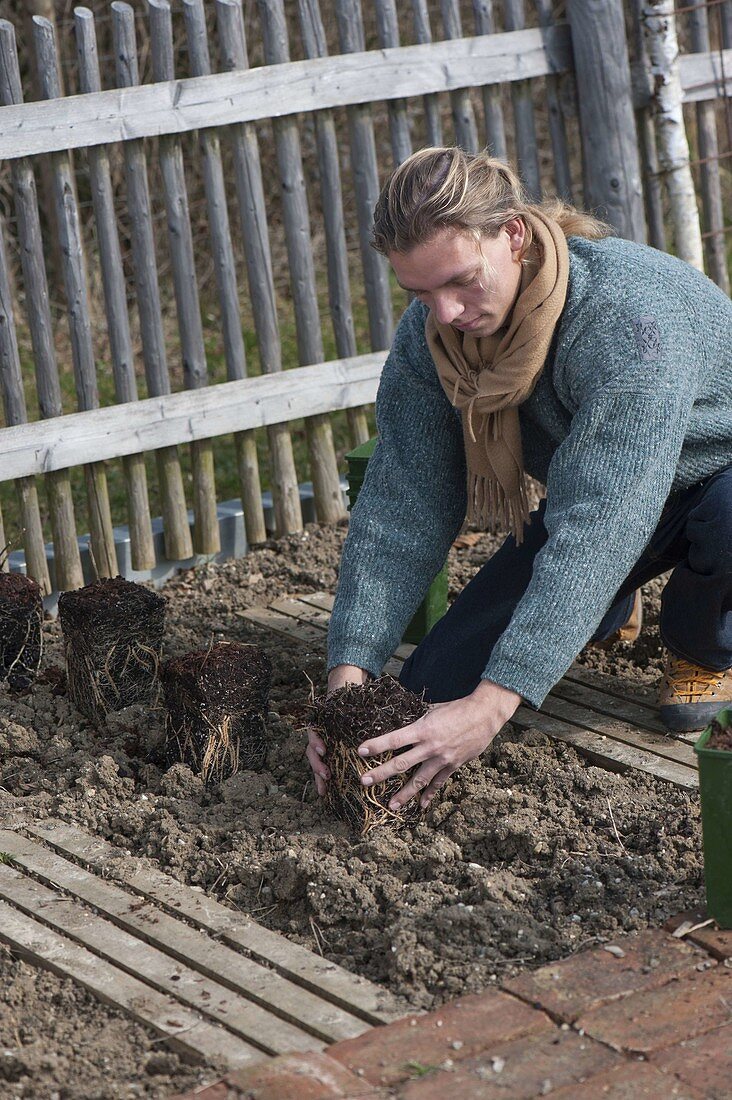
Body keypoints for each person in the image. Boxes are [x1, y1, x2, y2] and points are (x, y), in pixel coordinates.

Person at [306, 146, 732, 813]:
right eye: (420, 292)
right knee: (428, 691)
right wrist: (347, 683)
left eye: (460, 282)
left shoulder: (631, 322)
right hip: (600, 495)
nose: (443, 313)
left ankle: (706, 642)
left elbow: (601, 521)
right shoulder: (433, 341)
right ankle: (607, 605)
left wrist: (493, 705)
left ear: (512, 236)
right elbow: (402, 504)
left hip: (714, 481)